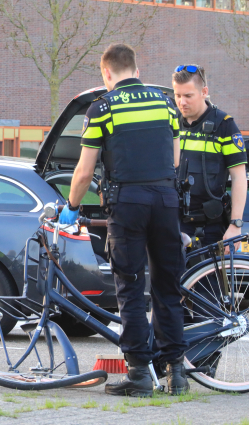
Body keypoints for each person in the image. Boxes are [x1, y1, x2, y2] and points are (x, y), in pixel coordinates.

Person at [59, 44, 187, 397]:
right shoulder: (165, 103)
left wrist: (71, 206)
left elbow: (85, 171)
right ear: (137, 67)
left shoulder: (102, 108)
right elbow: (175, 159)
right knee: (167, 288)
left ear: (107, 73)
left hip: (128, 203)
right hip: (165, 199)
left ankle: (139, 375)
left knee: (130, 287)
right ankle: (176, 374)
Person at [172, 66, 247, 250]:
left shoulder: (224, 126)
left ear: (204, 92)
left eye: (188, 96)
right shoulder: (170, 122)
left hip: (211, 228)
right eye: (178, 95)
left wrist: (235, 225)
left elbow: (239, 177)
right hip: (174, 223)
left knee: (210, 280)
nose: (182, 102)